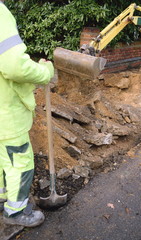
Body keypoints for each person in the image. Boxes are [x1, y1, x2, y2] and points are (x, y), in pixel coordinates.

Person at [0, 0, 54, 227]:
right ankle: (15, 212)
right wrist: (44, 72)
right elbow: (14, 65)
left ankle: (3, 194)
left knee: (3, 158)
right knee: (20, 163)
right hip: (6, 114)